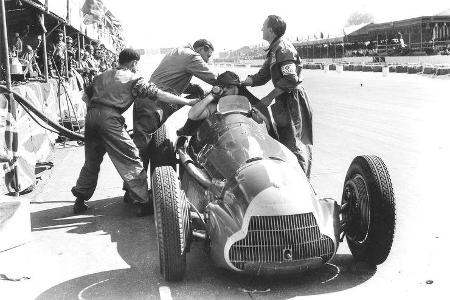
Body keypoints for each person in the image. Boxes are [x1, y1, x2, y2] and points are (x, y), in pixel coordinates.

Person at [71, 48, 198, 217]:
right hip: (110, 119)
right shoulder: (134, 79)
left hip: (92, 116)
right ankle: (143, 202)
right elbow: (160, 95)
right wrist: (187, 101)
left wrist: (96, 115)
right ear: (133, 63)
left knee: (91, 161)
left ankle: (80, 199)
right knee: (131, 158)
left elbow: (85, 98)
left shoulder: (101, 75)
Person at [130, 39, 217, 180]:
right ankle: (135, 193)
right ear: (201, 49)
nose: (207, 60)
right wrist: (231, 82)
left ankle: (136, 191)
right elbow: (213, 77)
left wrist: (193, 88)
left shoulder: (177, 51)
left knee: (146, 146)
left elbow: (169, 79)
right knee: (142, 147)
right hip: (154, 103)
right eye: (208, 56)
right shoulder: (192, 56)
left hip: (147, 101)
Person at [241, 15, 313, 175]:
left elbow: (291, 79)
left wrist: (268, 98)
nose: (261, 29)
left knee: (293, 144)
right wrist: (243, 82)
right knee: (284, 141)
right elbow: (262, 76)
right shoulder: (274, 49)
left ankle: (303, 183)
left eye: (263, 26)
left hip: (291, 99)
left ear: (271, 30)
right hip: (283, 99)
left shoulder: (283, 49)